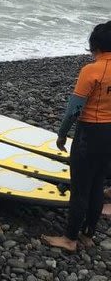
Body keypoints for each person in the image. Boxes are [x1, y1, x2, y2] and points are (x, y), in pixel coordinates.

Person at [42, 21, 111, 252]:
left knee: (81, 187)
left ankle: (69, 238)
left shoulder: (91, 71)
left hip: (90, 133)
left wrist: (62, 135)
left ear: (96, 46)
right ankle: (88, 234)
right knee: (98, 183)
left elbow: (74, 110)